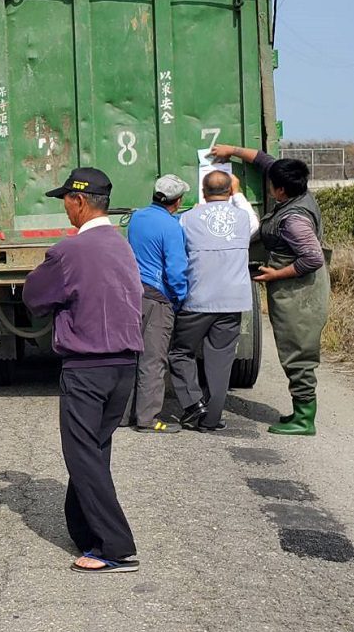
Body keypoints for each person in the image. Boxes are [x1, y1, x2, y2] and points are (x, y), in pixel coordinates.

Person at [22, 167, 143, 573]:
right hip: (125, 366)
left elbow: (34, 297)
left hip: (87, 366)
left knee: (81, 453)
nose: (65, 209)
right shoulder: (122, 245)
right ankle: (84, 529)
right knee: (94, 450)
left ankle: (115, 547)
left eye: (65, 201)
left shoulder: (69, 251)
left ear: (78, 201)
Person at [209, 145, 330, 436]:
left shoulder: (294, 219)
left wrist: (277, 273)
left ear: (280, 192)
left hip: (300, 294)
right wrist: (232, 150)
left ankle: (304, 419)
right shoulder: (296, 191)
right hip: (293, 290)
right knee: (292, 347)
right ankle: (300, 411)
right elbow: (266, 161)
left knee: (297, 349)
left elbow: (312, 258)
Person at [169, 171, 259, 432]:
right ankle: (210, 420)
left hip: (198, 299)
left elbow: (179, 241)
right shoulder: (243, 218)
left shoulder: (187, 218)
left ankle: (194, 402)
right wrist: (239, 192)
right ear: (230, 190)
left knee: (179, 352)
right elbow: (253, 220)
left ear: (203, 190)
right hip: (232, 301)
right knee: (220, 362)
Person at [124, 174, 190, 434]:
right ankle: (148, 419)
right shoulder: (172, 227)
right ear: (178, 201)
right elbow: (176, 270)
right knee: (153, 359)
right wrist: (180, 297)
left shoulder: (137, 218)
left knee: (130, 356)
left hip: (133, 293)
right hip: (157, 297)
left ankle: (122, 415)